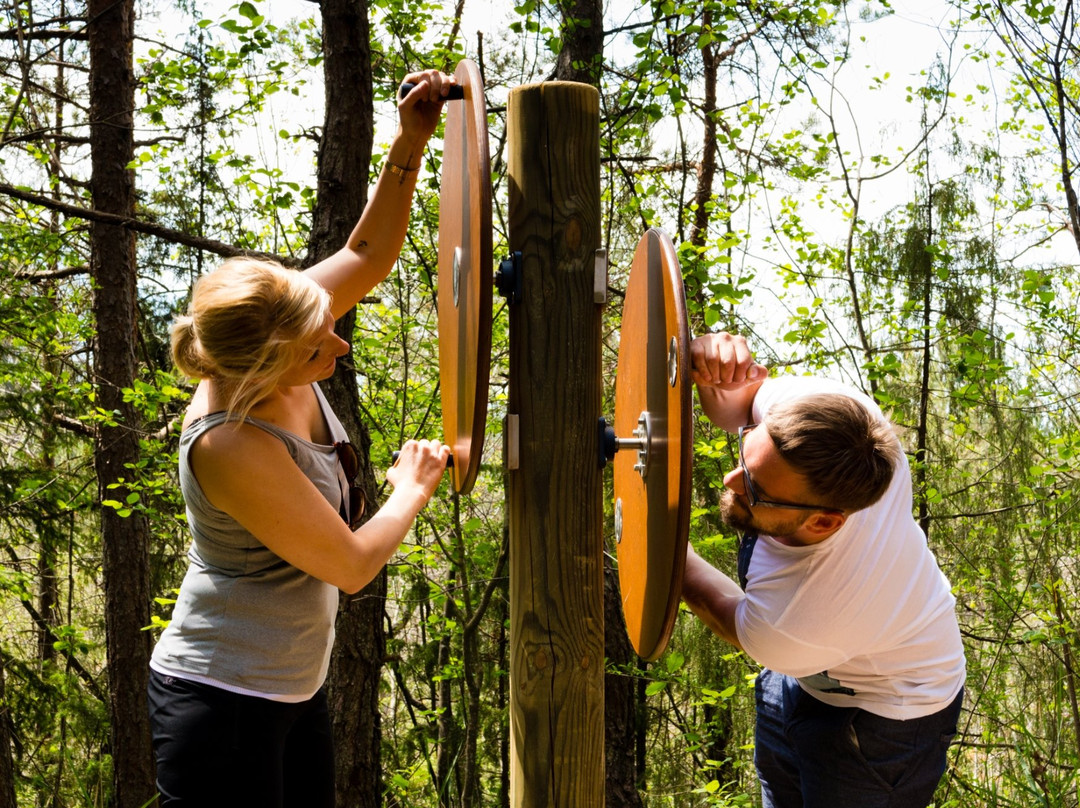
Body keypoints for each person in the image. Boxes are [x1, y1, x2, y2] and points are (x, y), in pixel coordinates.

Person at [147, 70, 456, 808]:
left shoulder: (276, 320)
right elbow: (350, 567)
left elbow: (370, 254)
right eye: (319, 351)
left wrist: (411, 138)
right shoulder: (228, 442)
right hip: (220, 702)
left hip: (290, 686)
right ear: (263, 366)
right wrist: (411, 488)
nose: (338, 350)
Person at [681, 331, 966, 808]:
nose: (730, 482)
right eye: (747, 453)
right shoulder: (837, 415)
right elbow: (739, 405)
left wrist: (656, 535)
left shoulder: (791, 621)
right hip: (805, 673)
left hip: (886, 723)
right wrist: (720, 376)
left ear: (822, 521)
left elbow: (713, 603)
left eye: (754, 485)